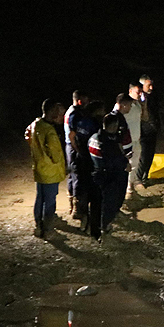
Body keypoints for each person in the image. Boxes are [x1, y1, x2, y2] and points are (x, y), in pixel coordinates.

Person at [88, 97, 133, 243]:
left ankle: (95, 229)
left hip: (97, 173)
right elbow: (113, 159)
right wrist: (125, 165)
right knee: (109, 202)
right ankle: (104, 229)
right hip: (109, 176)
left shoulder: (94, 137)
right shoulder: (109, 142)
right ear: (113, 127)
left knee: (97, 204)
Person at [25, 99, 66, 238]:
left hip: (39, 168)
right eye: (59, 111)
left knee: (40, 198)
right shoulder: (50, 131)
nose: (61, 115)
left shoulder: (36, 124)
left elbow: (27, 136)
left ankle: (38, 226)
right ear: (53, 110)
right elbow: (55, 154)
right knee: (50, 201)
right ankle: (48, 230)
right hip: (50, 171)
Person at [74, 100, 105, 231]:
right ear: (97, 111)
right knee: (94, 193)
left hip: (80, 159)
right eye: (103, 110)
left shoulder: (80, 122)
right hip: (91, 162)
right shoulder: (96, 124)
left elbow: (74, 138)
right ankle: (93, 224)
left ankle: (83, 218)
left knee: (82, 190)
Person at [64, 90, 90, 218]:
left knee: (73, 176)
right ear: (79, 101)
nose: (87, 103)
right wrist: (79, 150)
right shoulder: (75, 113)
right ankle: (77, 209)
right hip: (74, 147)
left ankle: (73, 205)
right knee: (77, 177)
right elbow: (72, 134)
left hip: (71, 146)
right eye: (85, 100)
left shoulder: (70, 111)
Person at [119, 82, 143, 199]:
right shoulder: (122, 106)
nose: (140, 94)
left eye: (141, 92)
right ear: (130, 91)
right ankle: (124, 192)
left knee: (135, 165)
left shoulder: (138, 105)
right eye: (137, 92)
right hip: (126, 142)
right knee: (126, 166)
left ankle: (130, 188)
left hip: (136, 139)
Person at [136, 74, 159, 189]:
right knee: (143, 155)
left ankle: (145, 177)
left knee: (150, 154)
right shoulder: (137, 100)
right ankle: (138, 179)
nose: (151, 88)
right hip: (142, 131)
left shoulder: (151, 97)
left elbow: (155, 112)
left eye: (151, 85)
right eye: (148, 85)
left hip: (152, 129)